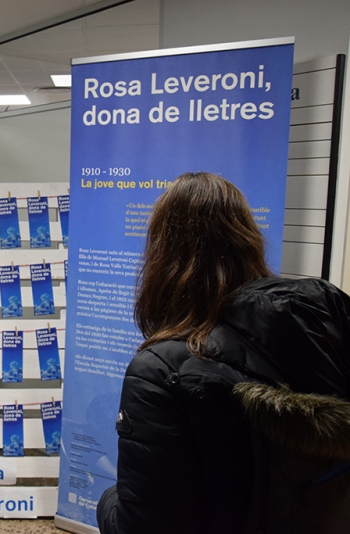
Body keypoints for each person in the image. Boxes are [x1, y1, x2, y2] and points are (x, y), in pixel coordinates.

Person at [97, 172, 350, 534]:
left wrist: (109, 499)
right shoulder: (321, 332)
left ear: (161, 256)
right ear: (249, 241)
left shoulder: (164, 368)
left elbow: (140, 525)